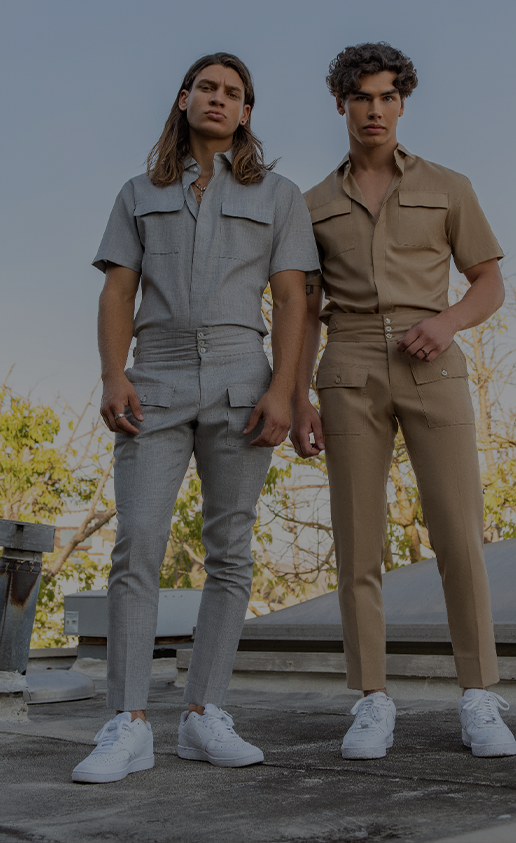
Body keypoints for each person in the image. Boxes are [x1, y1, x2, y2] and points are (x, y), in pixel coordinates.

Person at [72, 52, 319, 783]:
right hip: (156, 374)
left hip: (243, 374)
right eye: (206, 87)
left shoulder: (279, 195)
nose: (219, 99)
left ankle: (204, 714)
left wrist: (284, 390)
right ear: (184, 100)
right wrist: (113, 374)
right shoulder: (137, 192)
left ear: (247, 112)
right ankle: (129, 723)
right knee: (137, 543)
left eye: (233, 93)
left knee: (230, 552)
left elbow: (294, 298)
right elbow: (118, 291)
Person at [291, 42, 516, 761]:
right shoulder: (310, 205)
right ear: (341, 104)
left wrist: (447, 323)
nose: (375, 110)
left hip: (432, 359)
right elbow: (302, 309)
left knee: (458, 532)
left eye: (388, 96)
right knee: (358, 540)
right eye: (362, 97)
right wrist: (296, 396)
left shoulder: (450, 187)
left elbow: (488, 281)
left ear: (402, 103)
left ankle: (478, 694)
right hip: (348, 363)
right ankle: (372, 699)